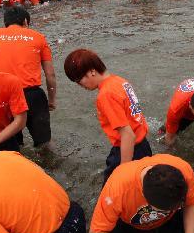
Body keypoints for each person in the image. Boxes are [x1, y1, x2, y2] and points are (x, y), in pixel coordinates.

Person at [63, 49, 151, 181]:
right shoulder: (120, 81)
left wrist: (123, 170)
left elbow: (128, 135)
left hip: (129, 150)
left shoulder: (106, 95)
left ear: (92, 71)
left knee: (112, 194)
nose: (79, 85)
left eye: (78, 79)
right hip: (144, 145)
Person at [0, 7, 56, 152]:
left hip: (1, 95)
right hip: (32, 95)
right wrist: (52, 100)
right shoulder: (37, 37)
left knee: (11, 144)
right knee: (44, 143)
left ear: (5, 23)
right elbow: (50, 75)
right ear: (25, 21)